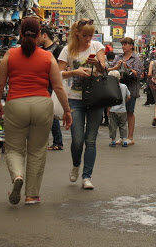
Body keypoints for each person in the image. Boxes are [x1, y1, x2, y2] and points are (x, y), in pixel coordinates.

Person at [0, 17, 72, 205]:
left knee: (14, 149)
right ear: (39, 35)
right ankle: (31, 195)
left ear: (20, 34)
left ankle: (18, 176)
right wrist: (67, 111)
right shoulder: (47, 57)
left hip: (16, 104)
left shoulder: (10, 55)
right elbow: (58, 87)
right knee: (37, 151)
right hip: (42, 105)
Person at [58, 19, 107, 189]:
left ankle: (87, 177)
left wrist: (98, 65)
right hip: (74, 99)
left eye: (91, 35)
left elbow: (104, 70)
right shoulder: (67, 50)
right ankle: (76, 164)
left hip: (95, 98)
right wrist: (74, 72)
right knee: (77, 140)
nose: (88, 38)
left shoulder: (97, 46)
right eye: (85, 35)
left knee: (91, 140)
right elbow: (58, 73)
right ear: (77, 34)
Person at [109, 37, 143, 145]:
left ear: (131, 46)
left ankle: (130, 137)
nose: (123, 46)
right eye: (122, 44)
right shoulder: (118, 57)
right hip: (118, 88)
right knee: (118, 112)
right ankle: (122, 137)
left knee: (129, 112)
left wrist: (127, 67)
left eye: (126, 44)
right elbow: (110, 69)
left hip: (131, 88)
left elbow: (138, 73)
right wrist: (117, 66)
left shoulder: (136, 59)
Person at [39, 25, 65, 151]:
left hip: (51, 85)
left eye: (38, 35)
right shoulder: (39, 49)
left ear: (44, 35)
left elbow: (62, 68)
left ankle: (57, 141)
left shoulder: (58, 49)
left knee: (51, 114)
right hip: (40, 84)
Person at [107, 70, 129, 147]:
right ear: (120, 78)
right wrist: (124, 102)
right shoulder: (124, 86)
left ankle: (113, 141)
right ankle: (125, 140)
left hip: (113, 110)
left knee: (112, 126)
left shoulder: (110, 88)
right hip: (123, 110)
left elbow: (109, 100)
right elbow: (128, 96)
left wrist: (108, 109)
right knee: (123, 125)